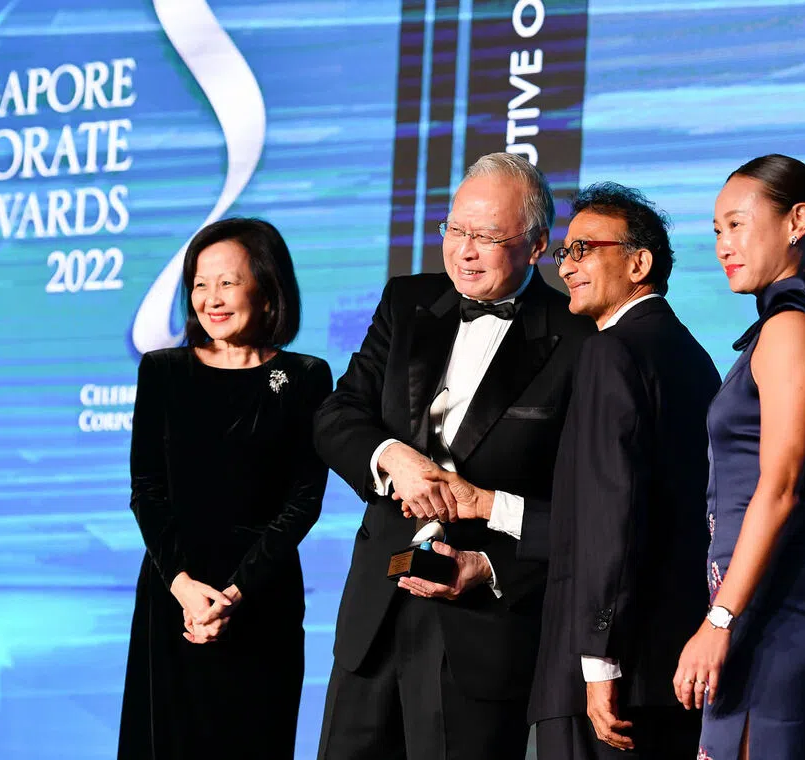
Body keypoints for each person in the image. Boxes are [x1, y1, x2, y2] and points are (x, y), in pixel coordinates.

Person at [313, 152, 595, 760]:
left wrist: (492, 570)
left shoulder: (579, 340)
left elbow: (586, 512)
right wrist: (393, 457)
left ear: (537, 245)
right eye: (455, 229)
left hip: (482, 627)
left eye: (487, 237)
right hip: (374, 614)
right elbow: (338, 416)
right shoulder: (407, 301)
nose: (464, 251)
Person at [673, 155, 805, 760]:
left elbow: (781, 486)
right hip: (759, 604)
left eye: (737, 224)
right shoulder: (790, 325)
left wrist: (720, 620)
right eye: (717, 230)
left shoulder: (791, 329)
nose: (723, 245)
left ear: (797, 221)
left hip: (774, 612)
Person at [117, 217, 332, 760]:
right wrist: (184, 587)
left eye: (228, 282)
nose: (211, 299)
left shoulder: (305, 377)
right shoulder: (163, 371)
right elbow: (146, 490)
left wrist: (235, 594)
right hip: (175, 595)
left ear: (267, 289)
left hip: (262, 597)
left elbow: (304, 499)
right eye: (200, 284)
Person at [526, 183, 721, 759]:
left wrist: (599, 663)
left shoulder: (611, 350)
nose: (566, 267)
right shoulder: (692, 355)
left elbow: (611, 514)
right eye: (564, 253)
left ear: (639, 264)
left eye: (584, 249)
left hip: (612, 680)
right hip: (671, 672)